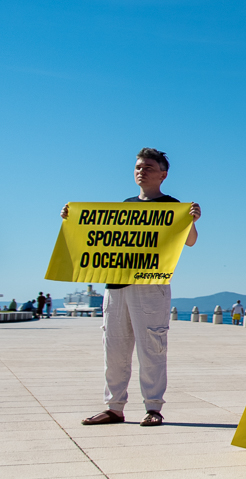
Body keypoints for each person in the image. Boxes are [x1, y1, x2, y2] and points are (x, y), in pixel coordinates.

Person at [66, 147, 200, 428]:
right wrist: (73, 219)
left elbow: (190, 242)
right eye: (138, 167)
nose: (141, 171)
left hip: (150, 286)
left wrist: (191, 221)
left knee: (152, 348)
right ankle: (114, 407)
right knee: (114, 349)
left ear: (163, 174)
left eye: (148, 167)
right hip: (115, 286)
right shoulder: (124, 206)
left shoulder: (172, 206)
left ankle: (153, 407)